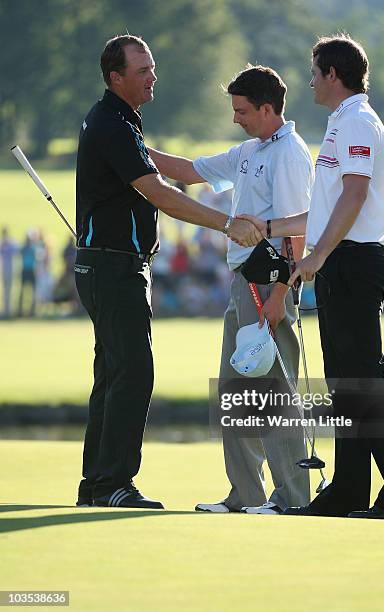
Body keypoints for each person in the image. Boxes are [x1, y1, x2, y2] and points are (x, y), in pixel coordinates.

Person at [240, 35, 384, 520]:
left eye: (314, 70)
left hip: (353, 260)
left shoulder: (358, 121)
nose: (309, 80)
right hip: (341, 260)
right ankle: (349, 490)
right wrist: (272, 228)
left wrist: (319, 255)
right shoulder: (341, 124)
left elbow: (355, 195)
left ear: (332, 74)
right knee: (347, 383)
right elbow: (326, 208)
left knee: (363, 379)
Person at [75, 35, 260, 509]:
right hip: (114, 265)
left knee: (114, 373)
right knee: (133, 373)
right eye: (142, 71)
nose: (152, 75)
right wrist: (227, 223)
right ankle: (113, 483)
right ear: (116, 78)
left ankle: (97, 484)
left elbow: (170, 170)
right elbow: (159, 193)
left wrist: (233, 177)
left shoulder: (121, 123)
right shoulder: (114, 125)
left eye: (152, 67)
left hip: (110, 264)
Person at [149, 65, 314, 514]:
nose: (235, 117)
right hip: (243, 281)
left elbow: (296, 229)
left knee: (273, 390)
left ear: (266, 108)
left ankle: (293, 496)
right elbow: (186, 170)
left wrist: (282, 291)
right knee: (235, 390)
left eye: (241, 110)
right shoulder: (250, 149)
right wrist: (131, 147)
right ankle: (246, 493)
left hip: (268, 282)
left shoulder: (290, 153)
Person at [0, 227, 18, 318]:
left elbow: (16, 250)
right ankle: (5, 310)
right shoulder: (2, 243)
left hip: (10, 270)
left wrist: (10, 242)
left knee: (10, 291)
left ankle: (9, 310)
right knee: (5, 291)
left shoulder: (10, 243)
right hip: (4, 270)